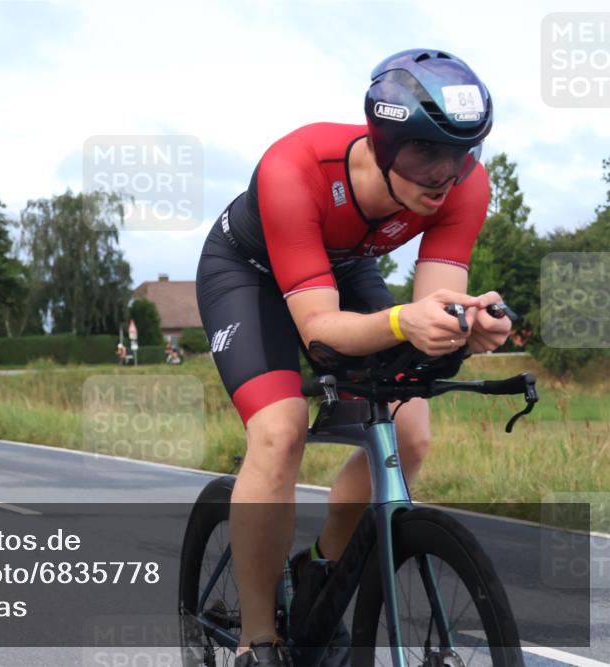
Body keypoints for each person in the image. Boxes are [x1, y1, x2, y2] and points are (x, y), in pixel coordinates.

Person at [194, 49, 512, 667]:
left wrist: (464, 322)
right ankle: (258, 641)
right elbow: (320, 329)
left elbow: (433, 305)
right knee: (280, 431)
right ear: (384, 141)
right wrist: (401, 321)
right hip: (248, 273)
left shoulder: (465, 186)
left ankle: (321, 573)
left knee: (411, 431)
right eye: (426, 152)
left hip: (343, 266)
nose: (445, 174)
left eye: (462, 152)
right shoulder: (296, 166)